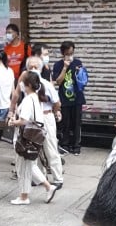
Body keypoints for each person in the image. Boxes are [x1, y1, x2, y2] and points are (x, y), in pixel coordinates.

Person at [9, 71, 58, 206]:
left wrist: (14, 122)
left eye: (22, 81)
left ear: (28, 84)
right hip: (33, 137)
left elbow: (24, 120)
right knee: (29, 165)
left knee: (23, 167)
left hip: (25, 137)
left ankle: (24, 197)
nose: (20, 84)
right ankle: (49, 187)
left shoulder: (28, 99)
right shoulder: (36, 98)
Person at [24, 55, 63, 188]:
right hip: (32, 120)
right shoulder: (25, 85)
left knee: (50, 147)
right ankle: (40, 177)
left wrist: (52, 112)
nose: (33, 69)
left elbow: (57, 103)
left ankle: (58, 178)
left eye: (36, 67)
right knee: (35, 148)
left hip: (46, 117)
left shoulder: (46, 84)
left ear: (40, 69)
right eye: (31, 67)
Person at [52, 41, 86, 156]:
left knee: (76, 123)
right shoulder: (58, 65)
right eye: (67, 53)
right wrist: (65, 67)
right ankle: (65, 145)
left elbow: (82, 80)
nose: (70, 55)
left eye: (72, 53)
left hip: (77, 98)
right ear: (63, 53)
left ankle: (76, 146)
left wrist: (80, 74)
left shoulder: (78, 62)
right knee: (64, 124)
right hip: (64, 98)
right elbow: (58, 81)